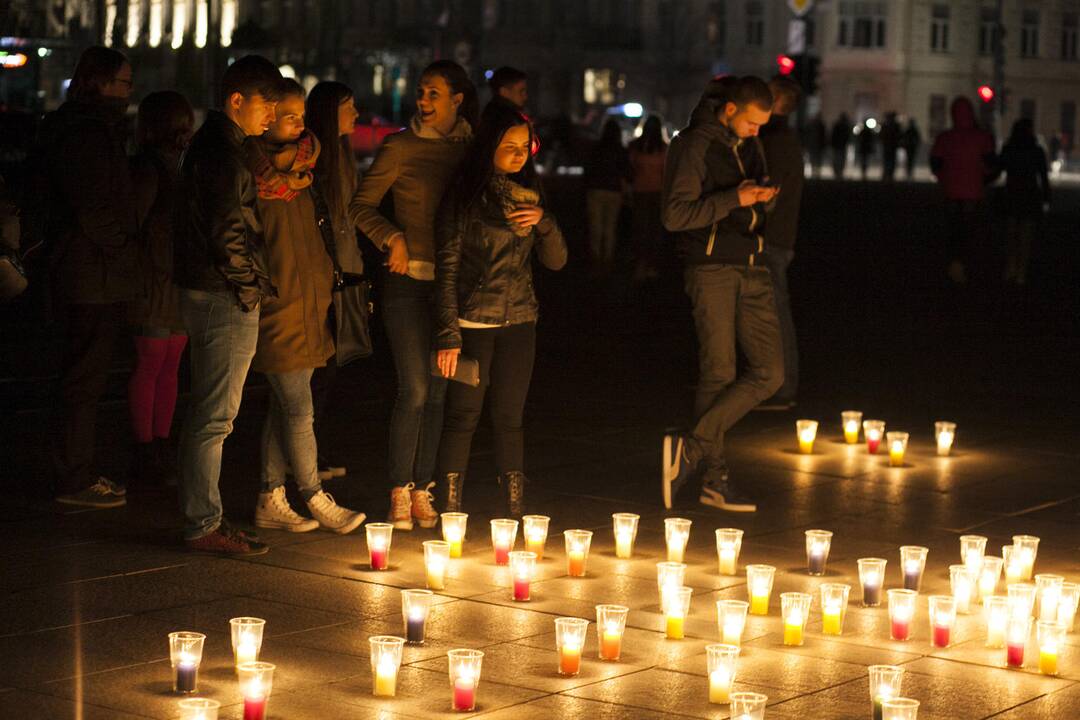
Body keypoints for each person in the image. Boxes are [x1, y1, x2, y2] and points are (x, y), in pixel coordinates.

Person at [349, 60, 476, 530]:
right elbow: (360, 205)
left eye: (433, 94)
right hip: (406, 283)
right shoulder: (399, 146)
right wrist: (391, 237)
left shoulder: (470, 148)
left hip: (452, 286)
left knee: (440, 391)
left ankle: (425, 490)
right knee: (416, 388)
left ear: (457, 100)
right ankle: (399, 490)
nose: (423, 101)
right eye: (421, 92)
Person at [434, 102, 567, 517]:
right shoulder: (466, 195)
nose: (517, 154)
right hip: (474, 320)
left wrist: (544, 221)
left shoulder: (530, 194)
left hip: (520, 319)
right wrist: (448, 334)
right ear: (487, 145)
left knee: (510, 416)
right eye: (508, 145)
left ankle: (513, 509)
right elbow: (448, 265)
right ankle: (450, 506)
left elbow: (557, 261)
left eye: (524, 146)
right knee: (464, 415)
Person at [173, 55, 283, 555]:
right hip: (222, 293)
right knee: (214, 415)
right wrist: (247, 286)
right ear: (236, 100)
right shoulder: (222, 152)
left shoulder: (223, 146)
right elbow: (226, 232)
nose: (273, 113)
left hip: (213, 288)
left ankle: (204, 517)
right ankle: (204, 522)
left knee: (210, 411)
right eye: (266, 102)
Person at [246, 79, 366, 534]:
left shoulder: (310, 167)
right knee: (298, 408)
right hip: (279, 307)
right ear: (266, 116)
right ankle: (314, 495)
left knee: (286, 406)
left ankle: (269, 495)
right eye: (290, 115)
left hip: (310, 303)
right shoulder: (253, 174)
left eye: (301, 114)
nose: (300, 123)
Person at [660, 75, 783, 514]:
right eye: (752, 123)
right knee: (719, 373)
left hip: (752, 264)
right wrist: (736, 197)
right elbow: (675, 215)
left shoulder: (748, 143)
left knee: (770, 373)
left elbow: (748, 198)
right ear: (729, 109)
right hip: (711, 268)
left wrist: (763, 198)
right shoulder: (694, 144)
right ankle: (714, 481)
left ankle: (691, 449)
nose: (757, 132)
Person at [36, 47, 139, 508]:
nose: (128, 92)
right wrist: (125, 250)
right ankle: (73, 478)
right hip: (90, 273)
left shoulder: (78, 126)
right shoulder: (87, 132)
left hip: (86, 269)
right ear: (99, 82)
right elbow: (93, 206)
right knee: (83, 378)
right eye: (123, 83)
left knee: (82, 376)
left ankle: (75, 470)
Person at [127, 91, 193, 487]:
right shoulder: (157, 168)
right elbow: (136, 221)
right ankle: (149, 447)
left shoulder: (166, 166)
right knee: (158, 364)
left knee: (162, 365)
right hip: (159, 279)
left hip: (168, 278)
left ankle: (154, 445)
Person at [304, 81, 364, 482]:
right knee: (316, 371)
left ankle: (311, 450)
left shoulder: (343, 155)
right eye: (349, 106)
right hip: (328, 273)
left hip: (347, 270)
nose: (357, 113)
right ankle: (304, 455)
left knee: (330, 369)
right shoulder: (318, 158)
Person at [759, 76, 804, 409]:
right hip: (775, 236)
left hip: (770, 238)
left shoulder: (777, 141)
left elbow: (768, 194)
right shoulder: (780, 139)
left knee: (775, 313)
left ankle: (783, 386)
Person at [930, 97, 996, 284]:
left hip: (951, 191)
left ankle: (954, 263)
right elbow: (991, 163)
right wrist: (983, 178)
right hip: (973, 192)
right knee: (970, 229)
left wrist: (944, 177)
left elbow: (935, 164)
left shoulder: (945, 138)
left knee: (953, 228)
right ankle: (965, 264)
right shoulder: (982, 137)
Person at [999, 118, 1050, 286]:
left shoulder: (1009, 149)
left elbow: (998, 168)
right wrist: (1046, 198)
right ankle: (1022, 269)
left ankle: (1010, 266)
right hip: (1030, 195)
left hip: (1012, 193)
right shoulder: (1037, 151)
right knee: (1026, 235)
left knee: (1010, 233)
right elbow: (1043, 177)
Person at [584, 118, 630, 275]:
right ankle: (607, 260)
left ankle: (595, 260)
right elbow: (627, 173)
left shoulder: (596, 148)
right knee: (610, 228)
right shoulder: (620, 150)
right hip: (614, 191)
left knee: (595, 227)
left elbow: (587, 170)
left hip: (595, 190)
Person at [628, 114, 668, 285]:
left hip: (639, 191)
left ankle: (640, 266)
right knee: (655, 230)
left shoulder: (635, 147)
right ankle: (652, 266)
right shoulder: (664, 148)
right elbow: (667, 173)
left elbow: (631, 168)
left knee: (640, 228)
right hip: (658, 192)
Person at [879, 112, 901, 182]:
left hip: (890, 146)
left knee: (889, 160)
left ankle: (889, 174)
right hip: (889, 146)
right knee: (889, 160)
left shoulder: (893, 126)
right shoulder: (888, 126)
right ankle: (887, 174)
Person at [830, 113, 852, 178]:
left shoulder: (839, 126)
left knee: (838, 159)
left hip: (839, 146)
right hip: (840, 146)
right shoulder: (844, 127)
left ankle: (838, 172)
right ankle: (838, 172)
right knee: (839, 159)